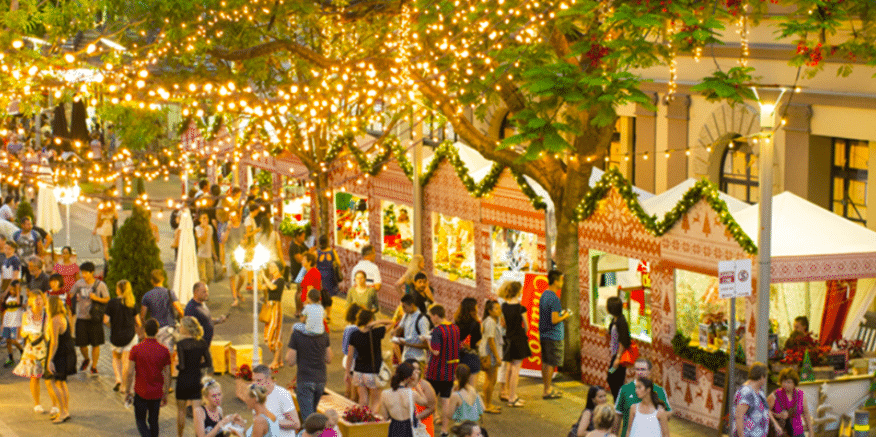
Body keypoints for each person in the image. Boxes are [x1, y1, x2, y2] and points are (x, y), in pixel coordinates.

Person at [14, 292, 60, 416]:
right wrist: (30, 329)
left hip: (45, 348)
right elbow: (23, 333)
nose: (38, 301)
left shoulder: (47, 314)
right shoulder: (25, 315)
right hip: (32, 349)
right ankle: (37, 403)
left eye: (40, 298)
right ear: (30, 302)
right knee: (34, 377)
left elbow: (50, 332)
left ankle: (55, 405)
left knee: (49, 378)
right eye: (35, 299)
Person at [124, 318, 172, 437]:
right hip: (156, 392)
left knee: (140, 421)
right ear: (157, 332)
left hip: (141, 391)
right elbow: (167, 374)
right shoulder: (164, 350)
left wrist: (127, 390)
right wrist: (165, 392)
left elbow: (130, 372)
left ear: (144, 331)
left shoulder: (136, 349)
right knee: (154, 421)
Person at [285, 311, 332, 420]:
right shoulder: (324, 335)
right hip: (320, 380)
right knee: (312, 413)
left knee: (309, 419)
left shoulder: (297, 335)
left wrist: (294, 345)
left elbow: (290, 361)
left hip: (305, 379)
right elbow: (329, 358)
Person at [346, 308, 393, 413]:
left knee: (363, 400)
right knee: (376, 401)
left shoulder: (354, 335)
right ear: (371, 319)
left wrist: (347, 372)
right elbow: (392, 322)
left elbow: (350, 355)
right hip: (372, 371)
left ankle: (362, 420)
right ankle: (370, 422)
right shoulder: (377, 332)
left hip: (358, 372)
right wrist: (377, 322)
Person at [426, 304, 461, 437]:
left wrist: (426, 342)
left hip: (436, 371)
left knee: (430, 399)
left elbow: (435, 351)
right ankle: (445, 430)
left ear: (436, 316)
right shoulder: (455, 328)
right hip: (450, 370)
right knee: (446, 400)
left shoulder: (437, 331)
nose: (431, 319)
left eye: (431, 316)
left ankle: (429, 426)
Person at [613, 358, 672, 437]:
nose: (640, 372)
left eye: (643, 369)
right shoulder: (625, 389)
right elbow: (618, 414)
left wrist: (651, 418)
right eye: (637, 369)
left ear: (650, 371)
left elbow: (669, 412)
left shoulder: (659, 390)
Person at [70, 261, 110, 375]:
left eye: (86, 273)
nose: (84, 275)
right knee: (81, 344)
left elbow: (107, 299)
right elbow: (70, 294)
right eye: (82, 272)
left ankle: (94, 366)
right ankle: (86, 359)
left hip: (94, 318)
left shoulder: (100, 285)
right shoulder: (79, 284)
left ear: (92, 272)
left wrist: (96, 298)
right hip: (81, 317)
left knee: (95, 344)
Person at [176, 316, 210, 437]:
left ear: (186, 328)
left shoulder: (180, 344)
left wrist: (176, 367)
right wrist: (198, 364)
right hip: (197, 379)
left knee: (181, 411)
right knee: (197, 412)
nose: (179, 327)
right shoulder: (202, 343)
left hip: (183, 380)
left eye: (181, 326)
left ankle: (180, 435)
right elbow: (208, 362)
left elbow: (182, 366)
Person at [104, 279, 140, 392]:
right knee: (126, 362)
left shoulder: (112, 303)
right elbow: (138, 322)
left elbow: (105, 320)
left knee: (116, 358)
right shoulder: (132, 303)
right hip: (130, 335)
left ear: (119, 289)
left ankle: (118, 379)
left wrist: (112, 325)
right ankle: (124, 386)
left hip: (116, 335)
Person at [185, 282, 229, 374]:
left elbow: (207, 320)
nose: (207, 294)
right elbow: (188, 329)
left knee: (207, 373)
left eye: (207, 291)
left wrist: (218, 320)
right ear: (196, 292)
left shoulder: (202, 304)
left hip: (205, 346)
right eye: (204, 292)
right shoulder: (191, 308)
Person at [540, 270, 570, 400]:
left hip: (544, 334)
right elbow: (554, 319)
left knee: (546, 362)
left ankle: (547, 388)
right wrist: (565, 316)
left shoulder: (544, 295)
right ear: (556, 281)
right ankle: (547, 390)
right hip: (553, 335)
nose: (562, 283)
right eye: (561, 280)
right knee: (551, 363)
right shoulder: (554, 298)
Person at [380, 362, 429, 437]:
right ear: (409, 377)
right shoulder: (412, 393)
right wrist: (416, 385)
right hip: (409, 428)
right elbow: (425, 402)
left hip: (394, 427)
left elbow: (385, 416)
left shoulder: (384, 394)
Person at [45, 296, 74, 424]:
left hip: (60, 354)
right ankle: (65, 411)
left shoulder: (54, 320)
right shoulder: (63, 316)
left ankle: (63, 413)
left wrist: (50, 360)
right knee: (62, 383)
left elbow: (54, 343)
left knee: (54, 382)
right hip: (67, 352)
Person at [501, 281, 529, 408]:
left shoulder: (504, 307)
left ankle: (508, 393)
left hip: (508, 338)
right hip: (519, 339)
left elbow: (503, 323)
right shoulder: (520, 308)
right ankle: (512, 397)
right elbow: (527, 326)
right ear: (518, 291)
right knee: (516, 369)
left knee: (509, 367)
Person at [140, 269, 184, 351]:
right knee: (168, 354)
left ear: (152, 281)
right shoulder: (170, 293)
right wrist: (180, 320)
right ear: (163, 279)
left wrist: (145, 327)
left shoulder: (147, 295)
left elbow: (142, 316)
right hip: (169, 328)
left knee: (156, 354)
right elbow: (180, 310)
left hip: (155, 330)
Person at [252, 364, 301, 436]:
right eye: (253, 380)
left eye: (259, 381)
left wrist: (270, 423)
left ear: (268, 380)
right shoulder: (256, 395)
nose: (255, 384)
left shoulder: (282, 394)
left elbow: (296, 424)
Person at [767, 367, 814, 437]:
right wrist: (777, 416)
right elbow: (766, 411)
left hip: (798, 432)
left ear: (794, 383)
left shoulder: (800, 395)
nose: (785, 384)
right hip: (781, 433)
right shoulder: (774, 395)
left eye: (789, 382)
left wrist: (811, 431)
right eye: (784, 381)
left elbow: (806, 414)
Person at [260, 261, 287, 369]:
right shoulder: (273, 279)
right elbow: (264, 287)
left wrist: (263, 276)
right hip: (270, 307)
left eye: (272, 266)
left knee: (272, 334)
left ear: (277, 268)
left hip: (275, 308)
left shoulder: (280, 280)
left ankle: (275, 361)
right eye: (270, 266)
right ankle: (279, 360)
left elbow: (271, 287)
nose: (270, 268)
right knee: (274, 334)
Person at [479, 300, 503, 414]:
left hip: (491, 353)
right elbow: (491, 340)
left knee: (492, 379)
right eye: (496, 308)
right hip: (490, 354)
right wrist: (497, 356)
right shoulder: (490, 322)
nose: (499, 310)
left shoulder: (493, 321)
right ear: (489, 311)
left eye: (499, 308)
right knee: (490, 379)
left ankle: (488, 403)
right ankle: (487, 405)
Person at [606, 296, 631, 400]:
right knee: (613, 379)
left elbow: (623, 340)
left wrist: (618, 357)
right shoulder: (615, 319)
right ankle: (619, 402)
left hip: (619, 357)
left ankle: (620, 403)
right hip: (615, 354)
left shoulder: (622, 321)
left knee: (613, 378)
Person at [397, 294, 430, 365]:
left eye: (404, 307)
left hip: (417, 360)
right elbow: (397, 331)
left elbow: (427, 345)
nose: (403, 310)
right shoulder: (406, 315)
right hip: (405, 358)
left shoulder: (422, 320)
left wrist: (408, 344)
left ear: (411, 305)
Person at [454, 297, 482, 379]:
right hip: (471, 356)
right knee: (471, 386)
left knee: (459, 383)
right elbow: (477, 341)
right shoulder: (475, 323)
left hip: (458, 356)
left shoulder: (457, 322)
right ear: (473, 307)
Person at [2, 279, 25, 367]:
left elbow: (18, 302)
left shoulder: (20, 297)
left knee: (14, 341)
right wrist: (3, 324)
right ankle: (11, 358)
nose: (12, 291)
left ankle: (22, 351)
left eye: (14, 290)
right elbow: (5, 310)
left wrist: (18, 290)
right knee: (8, 341)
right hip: (7, 322)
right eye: (11, 289)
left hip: (15, 323)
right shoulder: (8, 298)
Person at [224, 210, 245, 306]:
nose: (231, 217)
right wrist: (228, 230)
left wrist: (244, 242)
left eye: (233, 215)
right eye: (229, 215)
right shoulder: (226, 226)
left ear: (237, 216)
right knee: (232, 277)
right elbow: (223, 240)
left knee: (242, 276)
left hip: (240, 254)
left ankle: (237, 290)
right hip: (230, 253)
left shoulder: (242, 226)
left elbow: (246, 238)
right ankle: (235, 298)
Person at [315, 235, 341, 312]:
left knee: (321, 295)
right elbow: (338, 263)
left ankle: (321, 312)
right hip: (330, 276)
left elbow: (314, 265)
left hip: (320, 277)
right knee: (329, 296)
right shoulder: (332, 252)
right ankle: (328, 315)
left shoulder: (317, 253)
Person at [341, 304, 362, 400]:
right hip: (354, 362)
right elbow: (351, 352)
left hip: (348, 361)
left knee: (348, 389)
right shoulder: (356, 330)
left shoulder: (348, 328)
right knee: (355, 394)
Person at [197, 212, 217, 284]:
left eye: (207, 218)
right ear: (200, 220)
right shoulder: (198, 229)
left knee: (210, 277)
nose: (206, 220)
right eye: (204, 218)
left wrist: (214, 253)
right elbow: (203, 240)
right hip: (201, 256)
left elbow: (211, 241)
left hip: (209, 255)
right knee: (203, 278)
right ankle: (203, 293)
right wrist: (205, 228)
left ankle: (205, 289)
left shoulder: (210, 228)